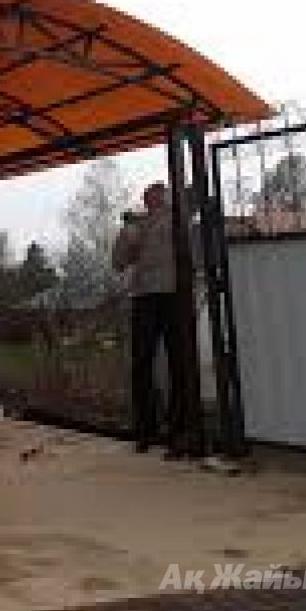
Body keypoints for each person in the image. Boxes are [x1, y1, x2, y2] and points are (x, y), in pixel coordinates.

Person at [112, 181, 189, 457]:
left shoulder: (178, 219)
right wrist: (127, 234)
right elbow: (118, 263)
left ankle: (179, 432)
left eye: (157, 194)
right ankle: (146, 430)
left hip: (174, 295)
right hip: (145, 297)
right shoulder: (138, 225)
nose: (152, 199)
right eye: (148, 196)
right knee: (141, 364)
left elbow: (191, 248)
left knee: (180, 363)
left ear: (165, 196)